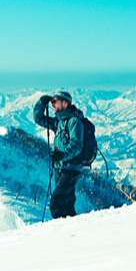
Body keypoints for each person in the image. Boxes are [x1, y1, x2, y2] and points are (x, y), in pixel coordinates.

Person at [33, 91, 94, 219]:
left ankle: (61, 231)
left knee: (56, 203)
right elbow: (38, 119)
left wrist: (61, 155)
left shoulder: (74, 122)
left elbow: (77, 145)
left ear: (65, 103)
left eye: (55, 102)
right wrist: (41, 104)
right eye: (52, 102)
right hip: (60, 167)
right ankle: (73, 231)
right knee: (67, 204)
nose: (52, 105)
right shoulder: (58, 122)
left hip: (71, 168)